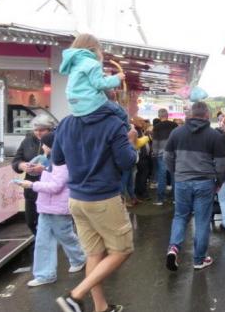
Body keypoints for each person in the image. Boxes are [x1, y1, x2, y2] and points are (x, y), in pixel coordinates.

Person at [53, 104, 137, 312]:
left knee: (95, 254)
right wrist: (132, 143)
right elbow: (127, 161)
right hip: (104, 199)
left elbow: (57, 158)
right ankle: (75, 296)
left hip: (76, 199)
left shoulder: (66, 122)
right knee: (122, 250)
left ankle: (101, 308)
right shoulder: (113, 124)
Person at [16, 132, 86, 287]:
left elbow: (55, 186)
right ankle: (45, 274)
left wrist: (31, 185)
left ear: (52, 146)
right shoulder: (53, 161)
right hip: (46, 207)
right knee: (43, 241)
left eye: (45, 144)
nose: (43, 147)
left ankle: (79, 258)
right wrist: (41, 169)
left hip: (58, 208)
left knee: (65, 236)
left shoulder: (61, 162)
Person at [164, 102, 225, 272]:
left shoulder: (176, 133)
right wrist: (219, 182)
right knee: (202, 220)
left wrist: (177, 173)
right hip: (204, 182)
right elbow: (221, 164)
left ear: (190, 114)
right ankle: (199, 260)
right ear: (207, 115)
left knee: (180, 216)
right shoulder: (214, 135)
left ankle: (173, 248)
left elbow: (167, 157)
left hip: (182, 182)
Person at [58, 33, 127, 127]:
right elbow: (100, 84)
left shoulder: (75, 63)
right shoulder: (92, 63)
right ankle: (129, 135)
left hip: (74, 105)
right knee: (121, 113)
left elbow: (86, 82)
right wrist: (117, 78)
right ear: (94, 48)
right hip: (91, 103)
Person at [12, 114, 56, 235]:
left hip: (50, 188)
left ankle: (47, 248)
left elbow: (64, 165)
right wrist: (22, 165)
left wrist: (44, 169)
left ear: (50, 129)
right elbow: (16, 160)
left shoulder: (57, 141)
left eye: (42, 130)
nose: (38, 133)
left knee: (50, 223)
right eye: (35, 130)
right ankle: (40, 243)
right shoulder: (27, 140)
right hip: (31, 187)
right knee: (31, 221)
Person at [151, 109, 179, 205]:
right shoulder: (174, 125)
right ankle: (176, 198)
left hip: (161, 154)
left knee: (161, 176)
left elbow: (155, 143)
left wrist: (154, 153)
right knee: (174, 175)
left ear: (159, 116)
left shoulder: (157, 127)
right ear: (167, 115)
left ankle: (160, 199)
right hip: (173, 153)